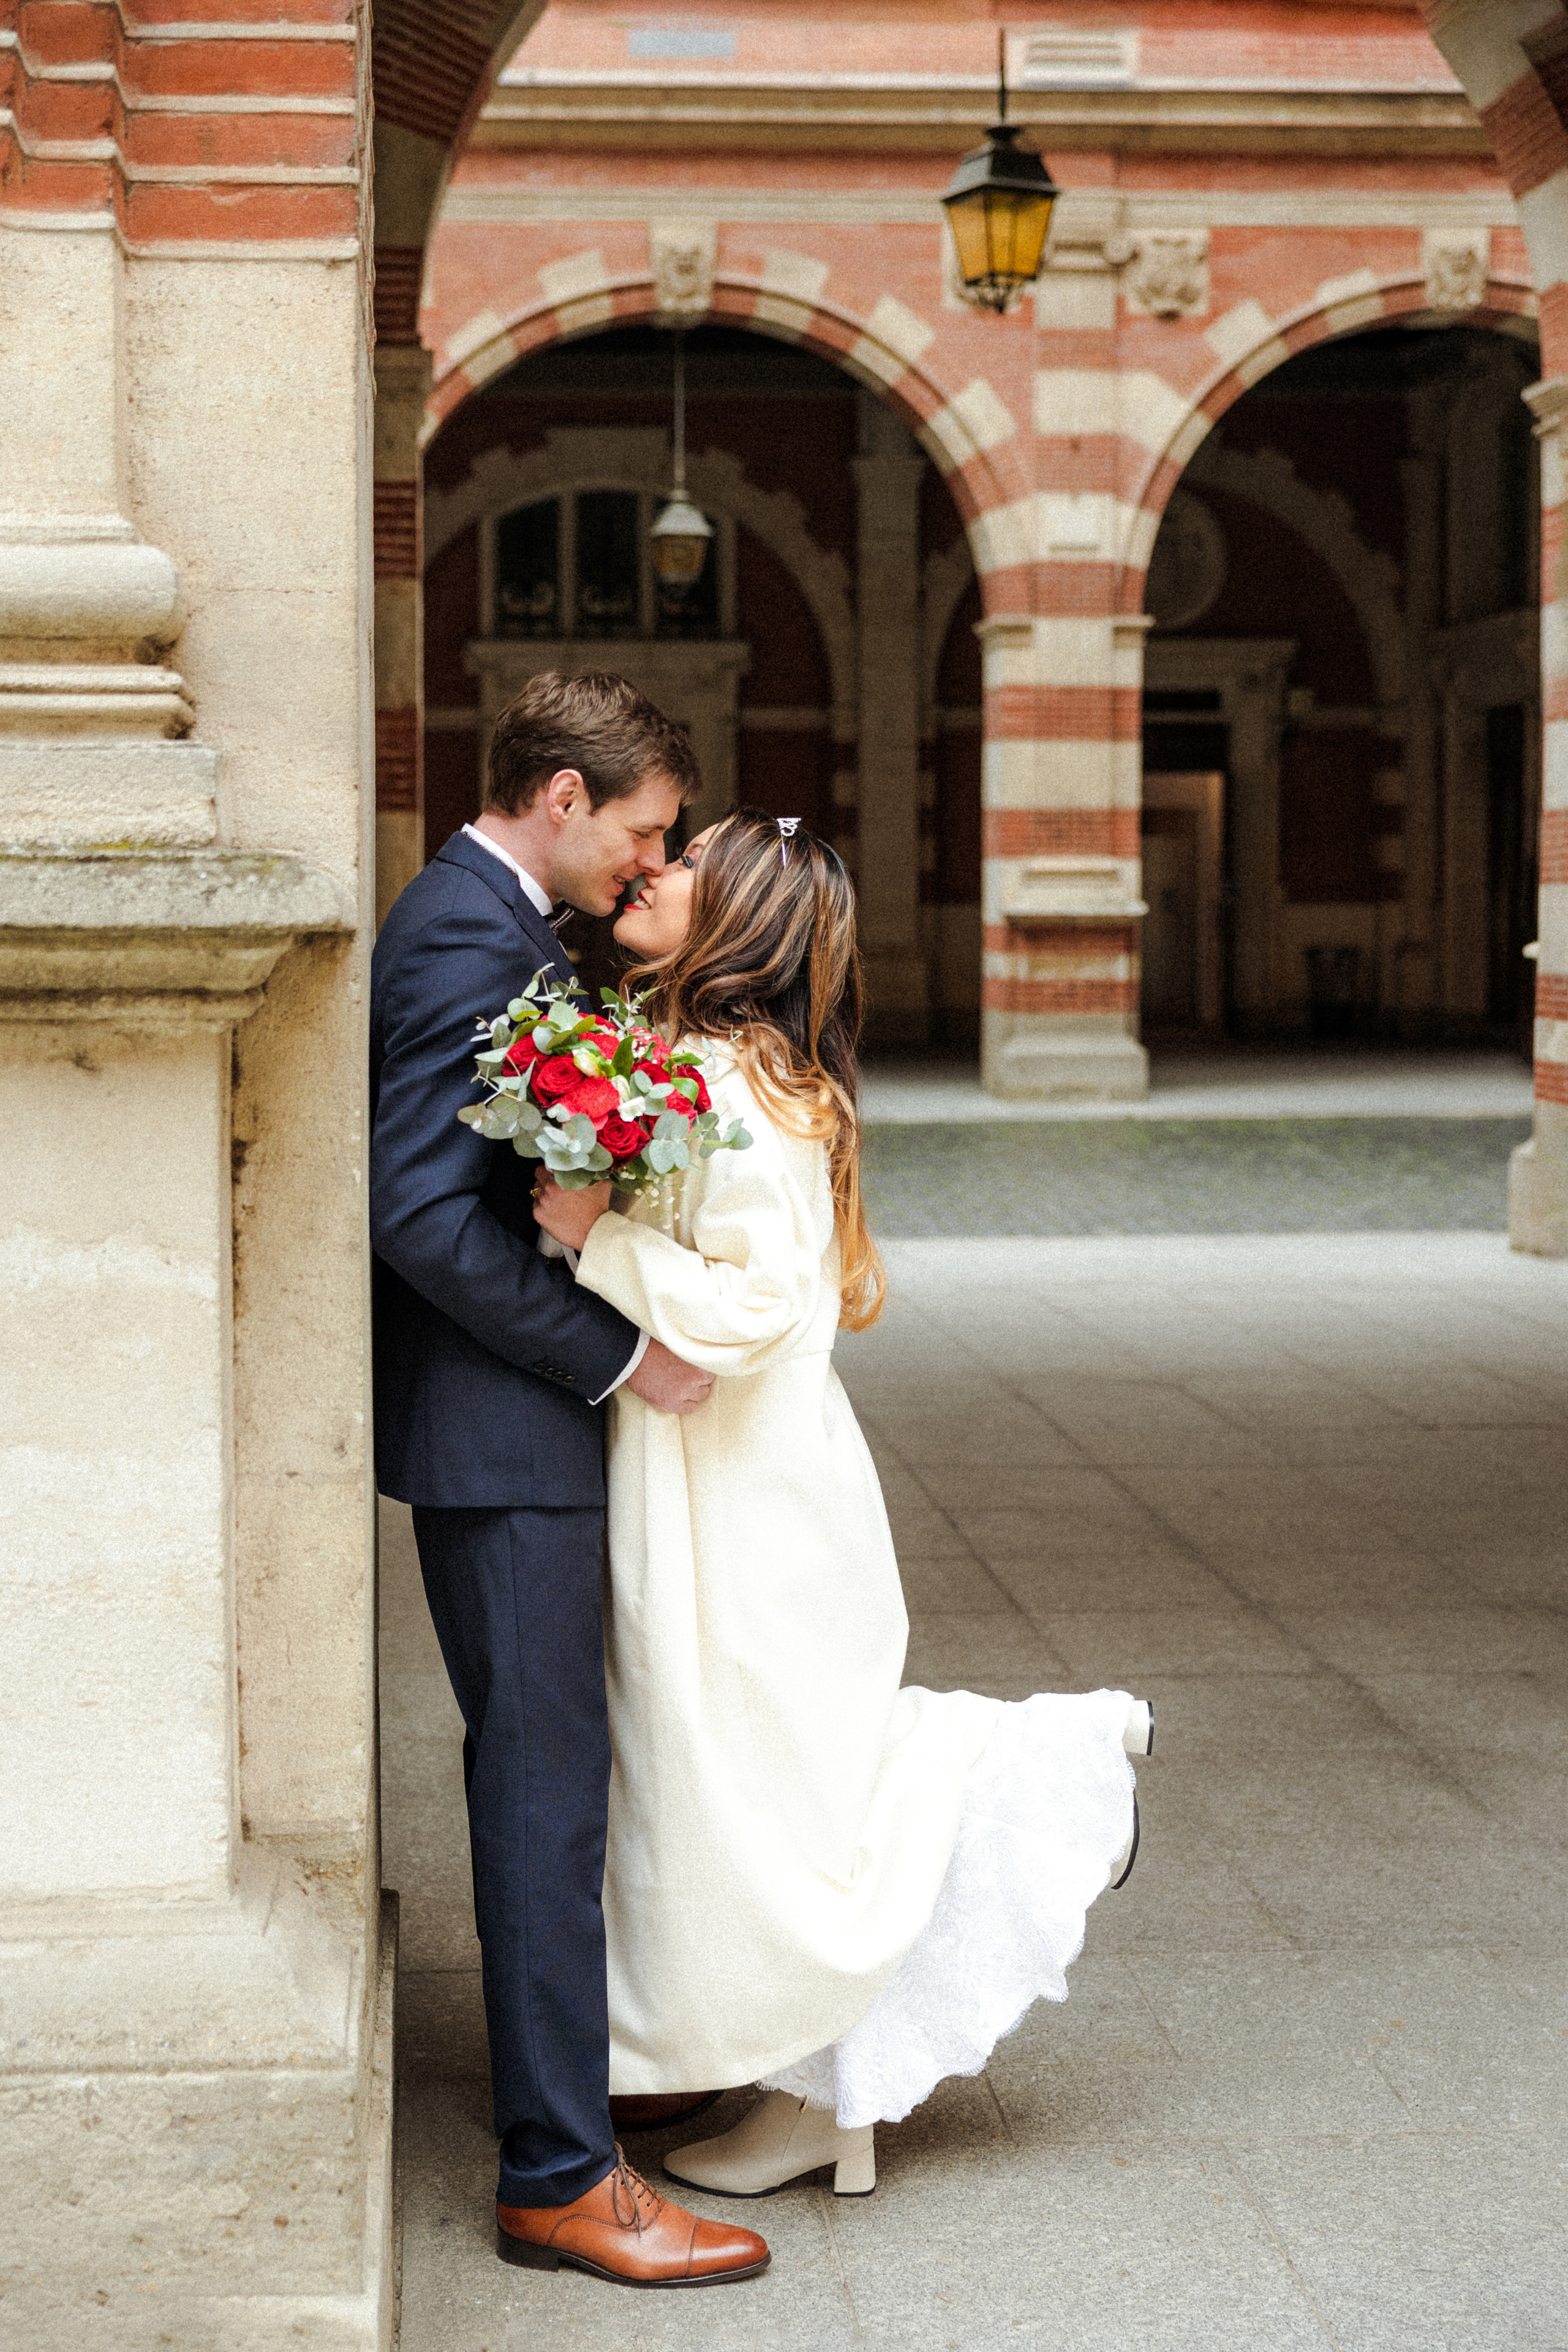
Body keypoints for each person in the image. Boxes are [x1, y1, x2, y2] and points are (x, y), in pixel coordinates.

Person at [532, 807, 1153, 2198]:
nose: (655, 868)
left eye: (687, 863)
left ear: (736, 918)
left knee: (766, 1795)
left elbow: (755, 1301)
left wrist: (593, 1240)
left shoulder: (729, 1082)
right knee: (756, 1787)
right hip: (731, 1477)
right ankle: (816, 2088)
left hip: (747, 1496)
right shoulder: (714, 1063)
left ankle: (1055, 1773)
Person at [369, 673, 769, 2286]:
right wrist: (614, 1354)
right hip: (505, 1434)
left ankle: (586, 2091)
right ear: (557, 797)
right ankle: (555, 2174)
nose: (649, 857)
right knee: (543, 1796)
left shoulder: (506, 922)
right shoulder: (468, 934)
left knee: (558, 1781)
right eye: (646, 829)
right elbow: (422, 1215)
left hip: (513, 1432)